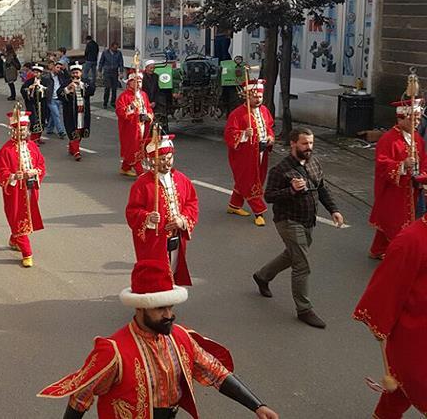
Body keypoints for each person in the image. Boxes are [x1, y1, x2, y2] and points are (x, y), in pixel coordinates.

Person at [38, 259, 279, 419]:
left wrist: (257, 406)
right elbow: (82, 395)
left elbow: (215, 371)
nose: (169, 315)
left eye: (170, 307)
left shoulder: (181, 337)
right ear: (140, 308)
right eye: (160, 309)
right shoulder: (114, 350)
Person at [252, 127, 345, 329]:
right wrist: (291, 190)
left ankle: (262, 276)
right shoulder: (280, 170)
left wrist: (334, 210)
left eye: (311, 143)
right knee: (301, 263)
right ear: (293, 143)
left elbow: (322, 188)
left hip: (308, 220)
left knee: (292, 255)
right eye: (304, 143)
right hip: (288, 221)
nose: (309, 147)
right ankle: (304, 309)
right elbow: (269, 197)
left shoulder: (314, 163)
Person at [353, 215, 427, 418]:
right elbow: (388, 286)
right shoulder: (411, 239)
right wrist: (378, 323)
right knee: (413, 382)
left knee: (399, 393)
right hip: (417, 334)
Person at [126, 135, 198, 286]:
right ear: (153, 161)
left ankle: (167, 303)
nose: (167, 163)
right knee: (154, 273)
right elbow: (132, 211)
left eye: (169, 158)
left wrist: (182, 220)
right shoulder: (142, 184)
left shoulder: (181, 179)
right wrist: (147, 217)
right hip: (154, 240)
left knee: (173, 269)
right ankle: (152, 304)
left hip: (176, 237)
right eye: (162, 159)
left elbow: (192, 203)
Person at [368, 98, 427, 259]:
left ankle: (378, 249)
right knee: (396, 222)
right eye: (414, 119)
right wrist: (402, 165)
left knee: (407, 220)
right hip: (394, 190)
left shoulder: (418, 140)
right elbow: (382, 165)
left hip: (412, 188)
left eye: (419, 119)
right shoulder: (389, 139)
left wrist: (422, 177)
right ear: (401, 118)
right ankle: (399, 255)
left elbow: (424, 162)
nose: (417, 123)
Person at [0, 111, 46, 268]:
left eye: (23, 130)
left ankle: (14, 238)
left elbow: (41, 165)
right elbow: (1, 173)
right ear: (12, 130)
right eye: (18, 129)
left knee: (26, 216)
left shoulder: (32, 146)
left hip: (31, 189)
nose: (21, 132)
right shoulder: (6, 150)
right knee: (17, 216)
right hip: (15, 191)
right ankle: (27, 252)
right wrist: (13, 177)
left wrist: (36, 172)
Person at [224, 79, 275, 226]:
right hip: (243, 154)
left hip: (261, 151)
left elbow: (269, 127)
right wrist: (244, 134)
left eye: (260, 97)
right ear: (247, 96)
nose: (258, 99)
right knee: (250, 180)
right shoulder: (237, 114)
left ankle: (234, 205)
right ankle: (259, 212)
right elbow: (229, 134)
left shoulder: (265, 111)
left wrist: (270, 137)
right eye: (255, 97)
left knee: (251, 178)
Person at [115, 72, 153, 177]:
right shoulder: (124, 96)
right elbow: (120, 112)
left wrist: (149, 115)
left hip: (142, 125)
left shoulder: (143, 95)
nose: (138, 83)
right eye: (136, 81)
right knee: (133, 148)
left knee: (141, 146)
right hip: (130, 127)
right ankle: (140, 172)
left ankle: (125, 167)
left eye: (140, 81)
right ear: (130, 83)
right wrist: (131, 107)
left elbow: (148, 108)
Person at [58, 64, 94, 161]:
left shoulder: (86, 82)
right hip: (71, 113)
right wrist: (68, 89)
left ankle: (72, 147)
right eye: (73, 73)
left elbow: (92, 90)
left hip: (83, 112)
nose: (75, 75)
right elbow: (59, 94)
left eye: (77, 72)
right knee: (72, 130)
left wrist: (81, 85)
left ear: (81, 73)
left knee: (80, 130)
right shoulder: (67, 83)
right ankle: (76, 152)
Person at [21, 65, 47, 144]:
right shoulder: (29, 81)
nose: (35, 74)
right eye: (34, 72)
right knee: (34, 121)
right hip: (32, 104)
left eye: (37, 72)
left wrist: (41, 88)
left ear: (41, 73)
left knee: (41, 120)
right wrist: (29, 89)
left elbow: (49, 90)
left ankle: (38, 137)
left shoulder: (45, 81)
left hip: (41, 104)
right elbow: (22, 90)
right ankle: (33, 139)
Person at [98, 42, 123, 109]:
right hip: (107, 72)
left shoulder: (118, 53)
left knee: (114, 88)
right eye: (114, 48)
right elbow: (101, 62)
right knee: (107, 87)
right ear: (111, 47)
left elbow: (121, 62)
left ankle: (113, 102)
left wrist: (121, 72)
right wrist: (99, 71)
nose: (115, 49)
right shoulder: (105, 53)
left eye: (116, 48)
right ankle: (105, 102)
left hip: (114, 72)